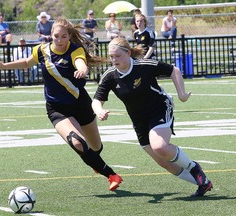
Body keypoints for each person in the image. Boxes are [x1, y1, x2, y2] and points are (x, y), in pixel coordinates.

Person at [0, 18, 123, 191]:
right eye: (56, 36)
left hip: (80, 104)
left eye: (63, 36)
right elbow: (27, 63)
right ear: (50, 35)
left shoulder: (75, 50)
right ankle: (112, 175)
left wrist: (82, 69)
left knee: (95, 147)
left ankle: (95, 161)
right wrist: (3, 65)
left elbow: (80, 62)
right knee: (77, 142)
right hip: (57, 108)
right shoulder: (42, 50)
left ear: (69, 36)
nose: (59, 40)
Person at [91, 37, 213, 197]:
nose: (114, 60)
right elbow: (96, 100)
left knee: (159, 146)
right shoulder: (110, 76)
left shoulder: (143, 66)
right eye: (111, 57)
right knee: (163, 162)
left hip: (159, 108)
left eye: (117, 56)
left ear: (128, 53)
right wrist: (99, 110)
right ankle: (202, 183)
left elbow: (173, 70)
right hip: (139, 119)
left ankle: (193, 167)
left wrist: (182, 94)